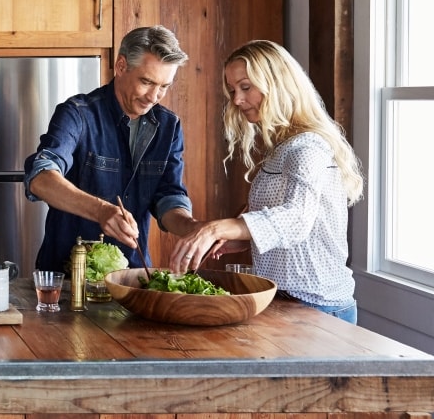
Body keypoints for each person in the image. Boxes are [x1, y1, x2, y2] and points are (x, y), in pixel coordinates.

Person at [169, 40, 363, 323]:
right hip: (286, 303)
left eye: (245, 87)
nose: (236, 100)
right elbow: (285, 225)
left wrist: (219, 228)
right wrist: (239, 238)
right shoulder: (284, 146)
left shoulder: (307, 147)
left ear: (277, 83)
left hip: (319, 308)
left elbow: (297, 219)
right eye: (233, 90)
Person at [25, 25, 201, 272]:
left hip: (132, 276)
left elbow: (169, 197)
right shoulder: (77, 114)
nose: (154, 96)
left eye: (164, 86)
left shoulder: (169, 126)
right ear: (120, 66)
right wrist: (102, 211)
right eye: (147, 82)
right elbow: (40, 178)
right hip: (67, 279)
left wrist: (195, 230)